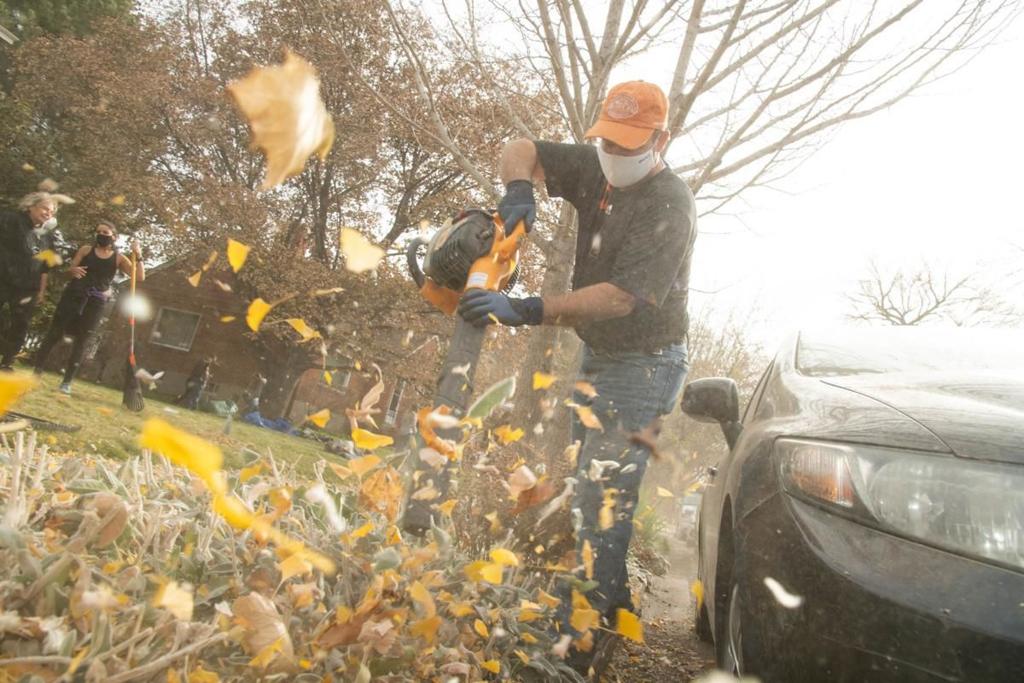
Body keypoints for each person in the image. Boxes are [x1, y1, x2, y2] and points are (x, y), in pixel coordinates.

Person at [457, 81, 696, 675]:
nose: (615, 154)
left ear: (661, 140)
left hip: (645, 362)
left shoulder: (670, 203)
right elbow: (521, 147)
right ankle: (603, 603)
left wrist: (532, 308)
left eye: (630, 144)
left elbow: (620, 299)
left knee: (602, 498)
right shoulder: (596, 166)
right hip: (602, 357)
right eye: (608, 142)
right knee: (588, 487)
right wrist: (518, 188)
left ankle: (582, 642)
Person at [33, 220, 144, 393]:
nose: (101, 235)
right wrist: (72, 271)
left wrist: (138, 255)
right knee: (55, 332)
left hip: (96, 302)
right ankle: (36, 371)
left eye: (105, 232)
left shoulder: (118, 258)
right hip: (73, 296)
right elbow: (70, 270)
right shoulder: (86, 250)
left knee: (82, 341)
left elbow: (139, 277)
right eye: (98, 231)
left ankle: (67, 382)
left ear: (113, 237)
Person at [0, 192, 62, 370]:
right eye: (45, 208)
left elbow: (45, 268)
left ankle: (7, 363)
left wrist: (41, 291)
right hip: (3, 278)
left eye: (51, 211)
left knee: (21, 323)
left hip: (28, 286)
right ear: (30, 206)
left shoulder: (47, 237)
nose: (48, 213)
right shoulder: (9, 219)